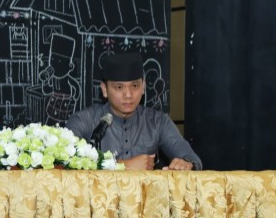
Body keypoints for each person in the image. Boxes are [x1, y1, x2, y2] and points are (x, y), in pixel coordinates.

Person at [66, 52, 202, 170]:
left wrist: (186, 164)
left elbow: (192, 158)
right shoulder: (84, 120)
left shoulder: (157, 121)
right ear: (105, 90)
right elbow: (65, 159)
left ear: (143, 87)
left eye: (135, 86)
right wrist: (122, 166)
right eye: (119, 87)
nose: (128, 95)